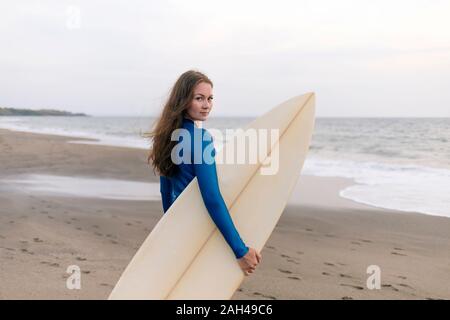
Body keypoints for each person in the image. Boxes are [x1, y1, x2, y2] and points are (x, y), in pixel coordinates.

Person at [147, 70, 261, 276]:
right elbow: (212, 197)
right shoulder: (201, 138)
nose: (206, 105)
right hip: (200, 230)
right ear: (183, 100)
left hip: (180, 228)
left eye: (210, 98)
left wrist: (170, 231)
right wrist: (240, 250)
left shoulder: (166, 137)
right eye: (199, 98)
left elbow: (166, 192)